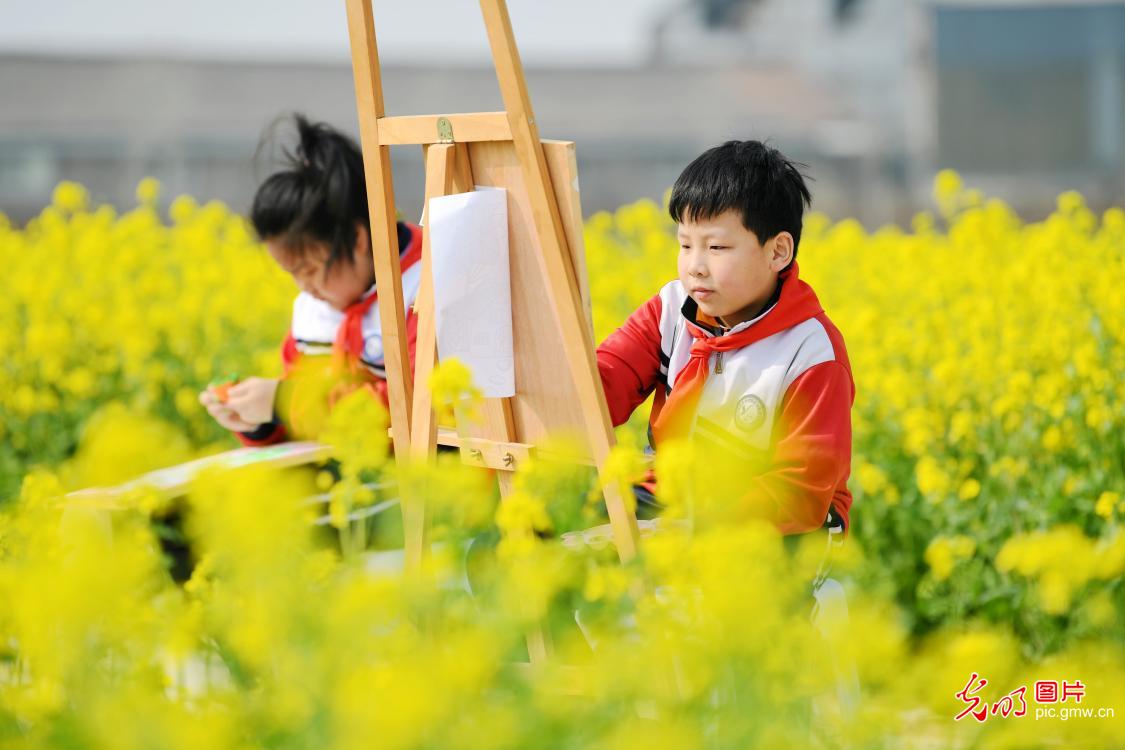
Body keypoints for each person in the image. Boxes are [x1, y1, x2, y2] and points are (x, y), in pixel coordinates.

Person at [595, 140, 853, 539]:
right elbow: (603, 382)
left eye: (716, 247)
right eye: (685, 245)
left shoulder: (810, 351)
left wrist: (690, 531)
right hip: (671, 495)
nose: (695, 267)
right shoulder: (670, 308)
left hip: (781, 522)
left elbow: (799, 491)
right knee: (557, 521)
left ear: (778, 251)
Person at [199, 115, 423, 445]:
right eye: (293, 275)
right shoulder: (315, 307)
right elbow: (301, 424)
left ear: (357, 239)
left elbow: (416, 410)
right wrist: (258, 420)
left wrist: (285, 401)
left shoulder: (424, 286)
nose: (304, 288)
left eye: (308, 271)